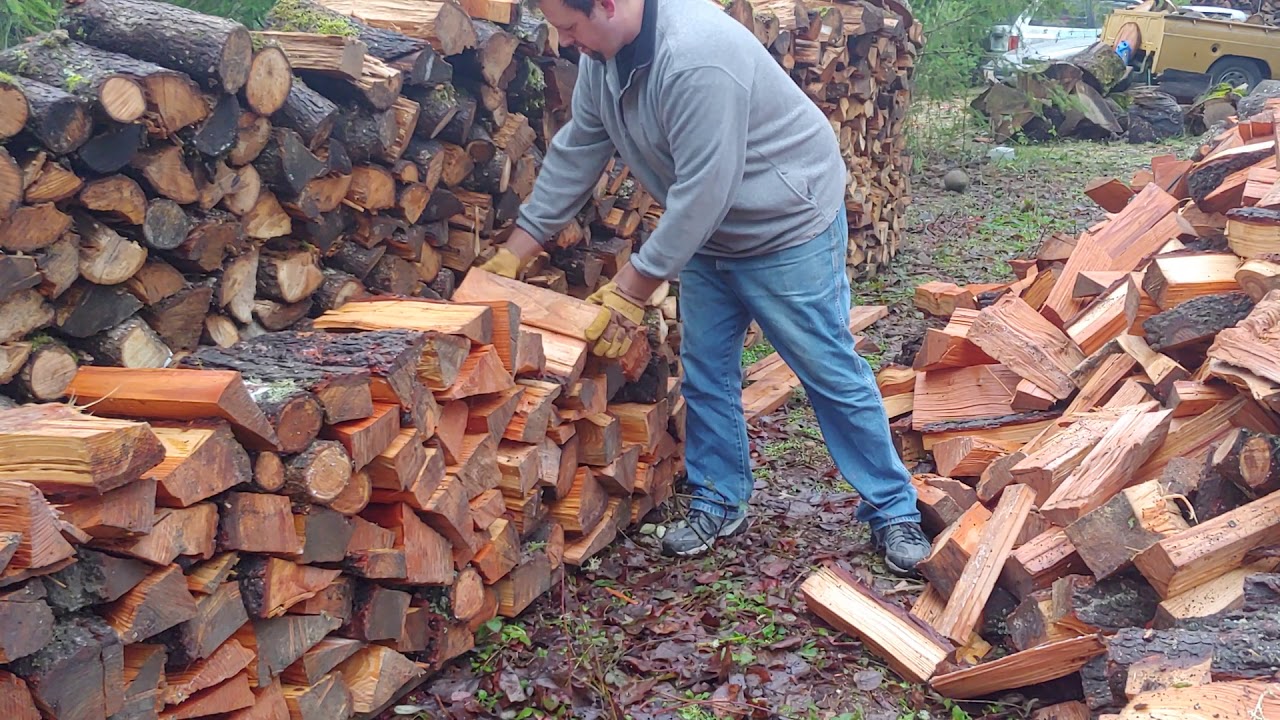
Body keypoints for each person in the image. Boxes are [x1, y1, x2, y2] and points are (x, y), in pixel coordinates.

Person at [476, 0, 930, 574]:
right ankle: (720, 497)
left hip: (784, 224)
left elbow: (705, 188)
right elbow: (578, 151)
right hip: (708, 234)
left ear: (609, 5)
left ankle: (893, 508)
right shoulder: (604, 55)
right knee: (707, 371)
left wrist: (630, 289)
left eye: (570, 27)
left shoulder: (696, 56)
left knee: (829, 370)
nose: (566, 42)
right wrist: (515, 252)